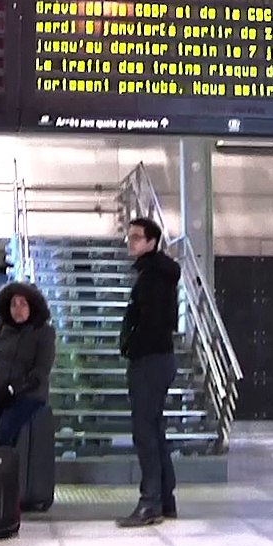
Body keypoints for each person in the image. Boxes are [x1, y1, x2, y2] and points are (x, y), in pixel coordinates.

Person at [116, 217, 181, 528]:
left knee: (145, 432)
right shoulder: (156, 273)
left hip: (150, 361)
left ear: (152, 242)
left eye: (137, 237)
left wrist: (131, 345)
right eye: (130, 237)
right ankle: (164, 500)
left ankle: (150, 502)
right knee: (154, 431)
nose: (131, 241)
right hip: (159, 359)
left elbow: (152, 321)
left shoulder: (152, 277)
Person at [0, 281, 56, 447]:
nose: (18, 309)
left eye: (23, 304)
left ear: (32, 306)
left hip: (28, 396)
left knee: (2, 435)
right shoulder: (0, 328)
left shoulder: (44, 332)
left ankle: (6, 471)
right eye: (14, 304)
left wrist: (14, 389)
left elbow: (41, 369)